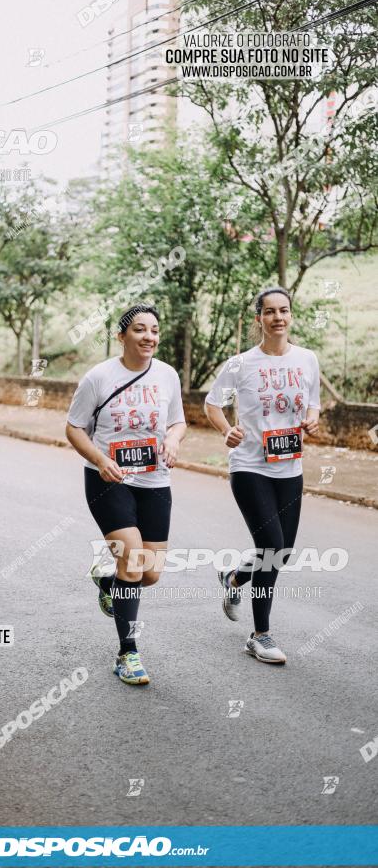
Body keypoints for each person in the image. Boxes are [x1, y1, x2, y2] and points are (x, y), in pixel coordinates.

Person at [65, 304, 186, 685]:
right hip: (108, 480)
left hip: (155, 482)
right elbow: (73, 429)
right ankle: (127, 654)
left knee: (149, 574)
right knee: (133, 563)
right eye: (138, 330)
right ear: (121, 337)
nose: (148, 336)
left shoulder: (167, 375)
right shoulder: (98, 377)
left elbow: (179, 421)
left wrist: (172, 438)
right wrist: (100, 460)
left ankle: (107, 581)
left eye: (154, 330)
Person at [204, 287, 320, 664]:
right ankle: (260, 636)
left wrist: (313, 418)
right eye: (269, 312)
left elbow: (313, 403)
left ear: (291, 315)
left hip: (290, 466)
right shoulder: (241, 364)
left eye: (284, 310)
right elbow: (212, 403)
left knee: (281, 552)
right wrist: (227, 430)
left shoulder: (307, 359)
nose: (278, 318)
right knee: (271, 546)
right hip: (250, 465)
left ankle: (234, 577)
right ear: (259, 319)